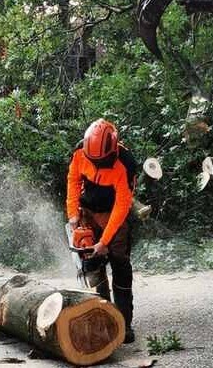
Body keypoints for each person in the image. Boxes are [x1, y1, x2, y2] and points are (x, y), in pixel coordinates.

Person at [66, 118, 138, 343]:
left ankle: (123, 324)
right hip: (87, 210)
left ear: (112, 151)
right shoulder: (80, 152)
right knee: (92, 266)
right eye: (93, 160)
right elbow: (73, 180)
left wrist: (105, 241)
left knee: (120, 264)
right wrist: (73, 215)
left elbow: (122, 206)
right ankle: (103, 320)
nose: (96, 164)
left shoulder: (125, 163)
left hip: (113, 215)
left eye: (101, 161)